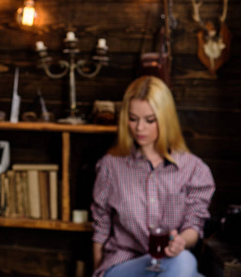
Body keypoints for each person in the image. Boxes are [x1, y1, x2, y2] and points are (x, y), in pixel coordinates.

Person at [91, 76, 215, 277]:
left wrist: (181, 241)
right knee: (186, 266)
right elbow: (101, 227)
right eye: (133, 119)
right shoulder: (110, 166)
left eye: (150, 120)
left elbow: (194, 224)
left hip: (171, 263)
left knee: (183, 262)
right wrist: (96, 271)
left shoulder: (194, 169)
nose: (139, 128)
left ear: (166, 118)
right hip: (124, 265)